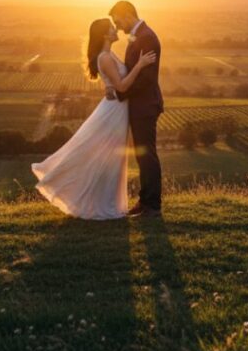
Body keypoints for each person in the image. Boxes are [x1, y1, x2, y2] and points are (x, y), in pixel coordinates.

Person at [31, 17, 156, 220]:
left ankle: (106, 202)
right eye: (111, 27)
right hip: (114, 112)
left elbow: (114, 82)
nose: (116, 29)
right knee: (105, 156)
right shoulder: (105, 57)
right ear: (105, 35)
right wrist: (140, 65)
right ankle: (97, 202)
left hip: (116, 109)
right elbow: (123, 87)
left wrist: (110, 85)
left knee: (110, 158)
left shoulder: (107, 54)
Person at [109, 0, 163, 217]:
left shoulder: (147, 37)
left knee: (147, 155)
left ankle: (153, 205)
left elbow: (146, 79)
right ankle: (145, 201)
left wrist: (121, 91)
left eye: (117, 20)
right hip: (140, 105)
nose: (117, 26)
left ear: (128, 14)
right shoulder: (138, 35)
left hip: (145, 105)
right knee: (142, 156)